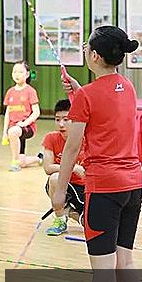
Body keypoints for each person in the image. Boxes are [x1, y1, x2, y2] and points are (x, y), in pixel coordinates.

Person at [53, 26, 141, 282]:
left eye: (87, 47)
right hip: (133, 186)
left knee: (103, 272)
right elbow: (105, 109)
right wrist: (79, 91)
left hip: (104, 189)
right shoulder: (128, 87)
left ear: (94, 55)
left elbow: (71, 147)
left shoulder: (87, 96)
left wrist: (60, 191)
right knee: (125, 263)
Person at [43, 99, 86, 236]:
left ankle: (69, 212)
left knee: (90, 225)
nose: (61, 124)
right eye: (57, 119)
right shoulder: (51, 138)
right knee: (54, 178)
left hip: (84, 189)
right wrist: (73, 168)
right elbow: (48, 168)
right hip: (63, 185)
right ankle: (60, 219)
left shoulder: (86, 138)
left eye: (66, 120)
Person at [2, 60, 42, 171]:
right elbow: (7, 113)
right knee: (22, 163)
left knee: (13, 131)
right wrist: (4, 132)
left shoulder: (30, 91)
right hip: (14, 129)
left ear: (27, 74)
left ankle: (14, 162)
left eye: (20, 72)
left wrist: (24, 123)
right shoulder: (10, 92)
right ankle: (39, 158)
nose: (17, 75)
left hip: (27, 128)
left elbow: (36, 112)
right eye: (14, 72)